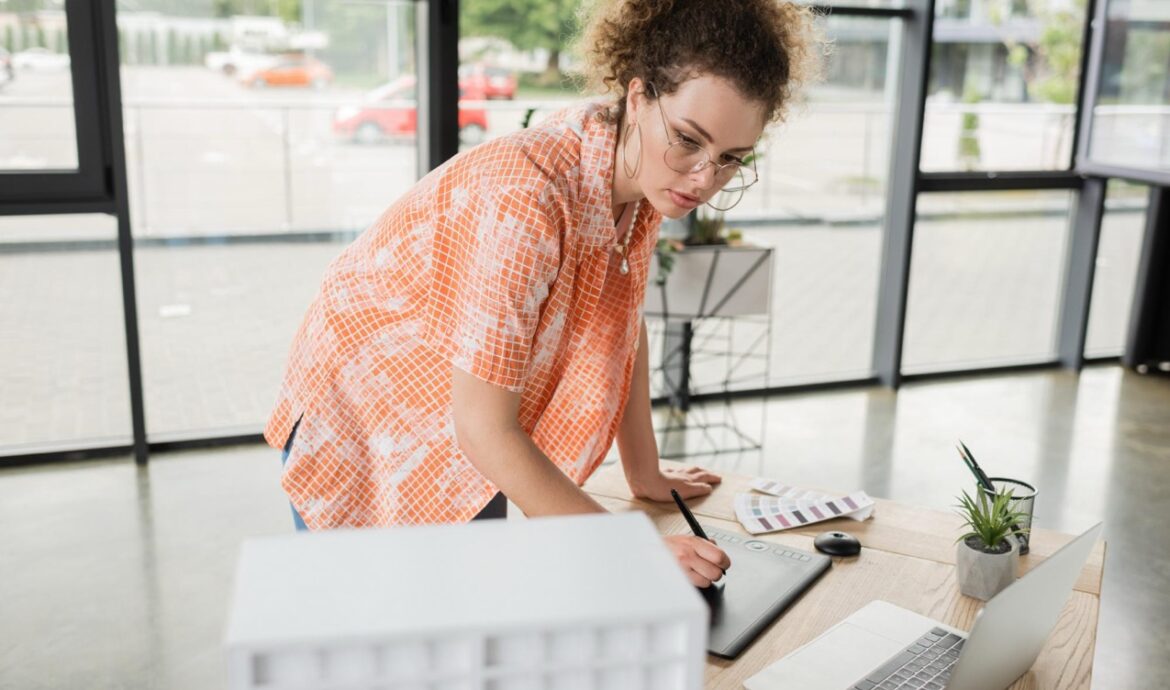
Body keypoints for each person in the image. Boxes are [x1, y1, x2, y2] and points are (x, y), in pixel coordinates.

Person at [266, 0, 816, 588]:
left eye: (730, 159)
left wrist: (645, 472)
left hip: (456, 400)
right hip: (363, 398)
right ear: (637, 97)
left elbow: (623, 319)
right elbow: (484, 431)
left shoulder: (640, 171)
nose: (704, 179)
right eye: (687, 139)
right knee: (381, 612)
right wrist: (636, 551)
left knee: (470, 597)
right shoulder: (526, 199)